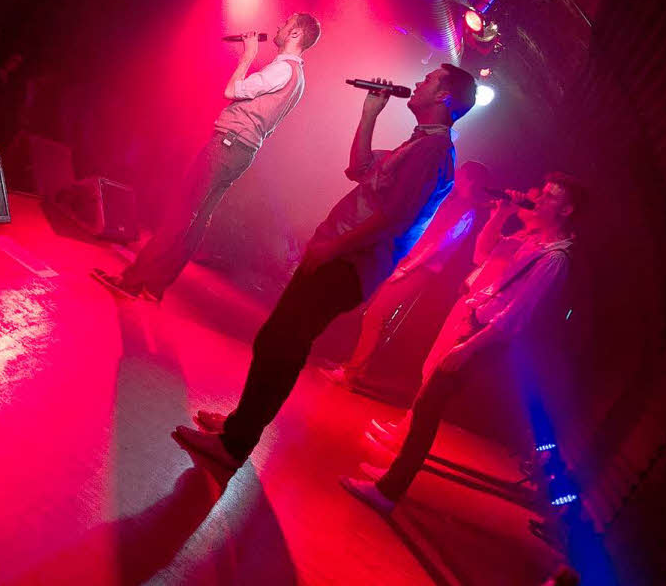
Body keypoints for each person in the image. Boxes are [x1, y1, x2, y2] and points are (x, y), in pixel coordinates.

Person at [173, 64, 478, 469]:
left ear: (445, 97)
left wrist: (335, 247)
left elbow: (395, 217)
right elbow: (359, 170)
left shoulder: (434, 151)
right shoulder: (419, 143)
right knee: (277, 341)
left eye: (430, 80)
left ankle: (235, 443)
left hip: (348, 263)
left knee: (282, 343)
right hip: (340, 256)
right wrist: (370, 113)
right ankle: (238, 426)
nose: (418, 82)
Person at [340, 172, 585, 517]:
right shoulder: (533, 240)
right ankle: (393, 477)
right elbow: (483, 253)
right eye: (541, 193)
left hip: (483, 337)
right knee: (427, 402)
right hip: (473, 324)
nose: (540, 200)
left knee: (428, 406)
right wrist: (501, 213)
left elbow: (515, 316)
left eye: (550, 197)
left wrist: (468, 347)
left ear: (567, 209)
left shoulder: (554, 259)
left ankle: (389, 490)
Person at [92, 13, 321, 301]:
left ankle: (133, 281)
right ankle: (155, 285)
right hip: (241, 150)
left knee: (182, 212)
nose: (278, 26)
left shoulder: (283, 70)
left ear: (296, 35)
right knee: (197, 218)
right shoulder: (297, 77)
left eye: (286, 24)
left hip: (229, 144)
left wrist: (248, 56)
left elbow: (232, 90)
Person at [320, 160, 494, 389]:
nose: (457, 174)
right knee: (370, 310)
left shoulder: (466, 210)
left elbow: (440, 244)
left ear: (470, 179)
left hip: (419, 268)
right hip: (408, 260)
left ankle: (353, 373)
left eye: (461, 172)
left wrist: (407, 267)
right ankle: (355, 367)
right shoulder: (452, 200)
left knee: (376, 314)